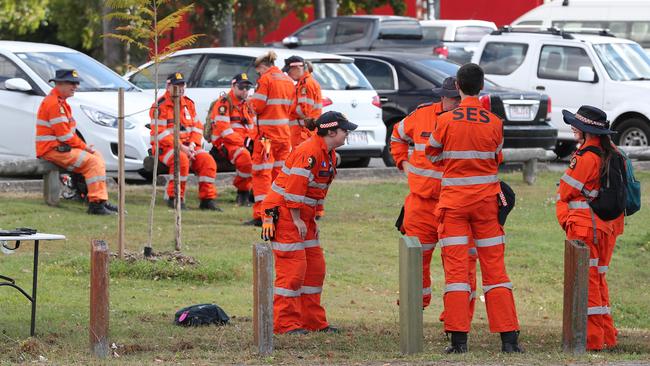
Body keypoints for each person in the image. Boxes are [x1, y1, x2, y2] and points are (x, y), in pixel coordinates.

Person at [426, 64, 521, 353]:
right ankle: (509, 341)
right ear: (482, 87)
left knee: (456, 273)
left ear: (458, 86)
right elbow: (496, 158)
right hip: (486, 204)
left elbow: (431, 154)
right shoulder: (494, 122)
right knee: (495, 270)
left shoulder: (445, 120)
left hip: (454, 204)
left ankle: (458, 342)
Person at [260, 111, 357, 335]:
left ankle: (312, 320)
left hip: (303, 215)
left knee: (315, 268)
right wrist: (296, 219)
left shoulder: (328, 153)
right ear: (331, 132)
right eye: (345, 131)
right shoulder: (309, 152)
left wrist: (309, 219)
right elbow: (294, 189)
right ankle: (285, 324)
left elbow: (315, 190)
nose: (347, 134)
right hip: (285, 213)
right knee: (293, 269)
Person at [391, 77, 478, 315]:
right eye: (454, 99)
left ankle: (458, 316)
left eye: (461, 99)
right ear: (442, 96)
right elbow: (397, 135)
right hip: (422, 204)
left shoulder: (473, 122)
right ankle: (413, 310)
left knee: (460, 264)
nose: (458, 103)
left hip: (457, 206)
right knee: (415, 259)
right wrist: (403, 163)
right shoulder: (422, 116)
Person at [556, 105, 620, 351]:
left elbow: (565, 190)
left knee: (586, 284)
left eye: (577, 126)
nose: (573, 128)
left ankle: (592, 340)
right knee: (598, 282)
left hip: (585, 228)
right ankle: (606, 336)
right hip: (603, 228)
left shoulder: (586, 157)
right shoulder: (609, 153)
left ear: (586, 132)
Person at [36, 69, 117, 215]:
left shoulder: (60, 103)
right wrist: (85, 147)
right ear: (59, 84)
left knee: (96, 156)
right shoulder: (55, 104)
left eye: (76, 83)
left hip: (59, 148)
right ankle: (95, 205)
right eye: (71, 83)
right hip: (52, 150)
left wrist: (84, 148)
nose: (75, 86)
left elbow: (67, 136)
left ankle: (100, 200)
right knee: (92, 162)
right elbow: (65, 137)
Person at [150, 72, 219, 211]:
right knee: (181, 160)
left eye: (182, 85)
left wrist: (193, 144)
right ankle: (175, 198)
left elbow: (197, 127)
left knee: (207, 160)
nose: (180, 88)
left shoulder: (188, 103)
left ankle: (207, 200)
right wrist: (181, 148)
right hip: (166, 148)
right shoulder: (159, 106)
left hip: (189, 146)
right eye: (177, 85)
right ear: (168, 86)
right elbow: (160, 134)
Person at [247, 51, 295, 226]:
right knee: (280, 175)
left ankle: (262, 215)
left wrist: (250, 102)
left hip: (267, 139)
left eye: (258, 70)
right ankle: (279, 212)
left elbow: (258, 106)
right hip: (284, 136)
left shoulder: (265, 80)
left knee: (262, 173)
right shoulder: (287, 80)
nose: (258, 74)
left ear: (262, 67)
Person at [207, 73, 255, 206]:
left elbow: (254, 127)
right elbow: (225, 131)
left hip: (244, 142)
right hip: (226, 144)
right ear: (233, 86)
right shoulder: (224, 104)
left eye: (247, 88)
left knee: (266, 155)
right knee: (245, 158)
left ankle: (257, 193)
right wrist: (244, 142)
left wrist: (252, 141)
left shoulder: (248, 105)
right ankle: (243, 193)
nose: (245, 90)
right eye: (241, 87)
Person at [284, 56, 322, 147]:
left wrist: (288, 109)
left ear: (297, 68)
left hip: (303, 133)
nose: (288, 74)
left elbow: (304, 111)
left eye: (289, 71)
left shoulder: (306, 85)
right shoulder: (302, 84)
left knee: (302, 160)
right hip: (302, 132)